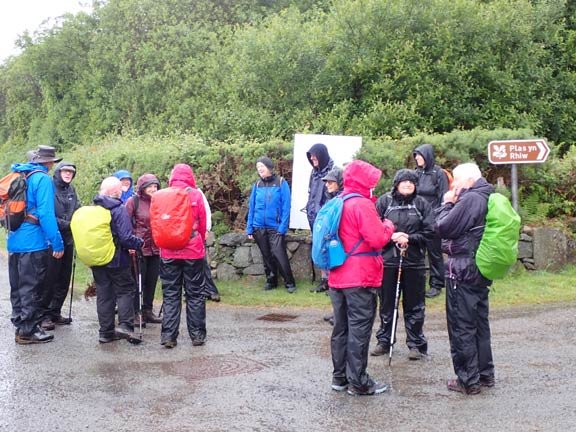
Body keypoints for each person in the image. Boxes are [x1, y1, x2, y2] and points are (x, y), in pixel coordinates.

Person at [328, 160, 394, 396]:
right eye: (372, 182)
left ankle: (340, 378)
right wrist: (388, 224)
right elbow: (377, 238)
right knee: (360, 329)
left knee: (341, 328)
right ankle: (359, 382)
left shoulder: (338, 201)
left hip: (337, 274)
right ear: (365, 183)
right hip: (359, 276)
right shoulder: (362, 204)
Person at [435, 162, 495, 395]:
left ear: (469, 180)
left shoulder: (471, 199)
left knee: (462, 326)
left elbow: (443, 227)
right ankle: (484, 374)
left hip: (463, 270)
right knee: (480, 323)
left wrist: (446, 204)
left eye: (456, 181)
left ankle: (468, 380)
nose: (454, 185)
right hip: (478, 268)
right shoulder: (487, 195)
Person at [371, 169, 434, 360]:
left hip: (414, 261)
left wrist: (410, 238)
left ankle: (416, 344)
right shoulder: (385, 202)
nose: (408, 185)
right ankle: (384, 340)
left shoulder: (422, 204)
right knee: (387, 303)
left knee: (415, 305)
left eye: (411, 182)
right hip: (389, 260)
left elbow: (431, 231)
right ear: (397, 184)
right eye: (404, 182)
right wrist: (392, 237)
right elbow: (374, 228)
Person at [8, 145, 64, 344]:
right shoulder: (42, 179)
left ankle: (20, 325)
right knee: (32, 287)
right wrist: (57, 243)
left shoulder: (19, 174)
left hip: (14, 240)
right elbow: (47, 215)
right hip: (33, 242)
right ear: (48, 163)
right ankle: (28, 330)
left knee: (17, 286)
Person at [159, 163, 208, 349]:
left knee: (171, 294)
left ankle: (168, 337)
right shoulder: (195, 195)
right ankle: (197, 336)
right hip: (192, 251)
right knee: (195, 293)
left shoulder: (163, 195)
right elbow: (202, 223)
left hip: (168, 251)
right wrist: (200, 241)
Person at [92, 177, 144, 344]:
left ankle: (105, 333)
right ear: (117, 191)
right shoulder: (117, 208)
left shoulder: (94, 208)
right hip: (117, 259)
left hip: (98, 259)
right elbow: (126, 238)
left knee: (104, 295)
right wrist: (139, 243)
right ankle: (125, 327)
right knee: (125, 290)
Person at [246, 156, 296, 293]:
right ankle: (271, 280)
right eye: (258, 167)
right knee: (266, 255)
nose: (260, 169)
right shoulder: (257, 185)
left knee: (279, 254)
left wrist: (283, 226)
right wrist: (250, 227)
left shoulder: (281, 182)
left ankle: (289, 282)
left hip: (276, 226)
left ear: (269, 167)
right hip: (259, 226)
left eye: (262, 166)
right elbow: (252, 207)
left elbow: (286, 206)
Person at [40, 161, 81, 328]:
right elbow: (47, 215)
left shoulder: (72, 190)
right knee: (50, 278)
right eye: (65, 171)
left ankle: (55, 312)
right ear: (58, 172)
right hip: (52, 239)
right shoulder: (49, 188)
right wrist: (68, 224)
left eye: (71, 172)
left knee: (64, 279)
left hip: (69, 239)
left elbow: (78, 210)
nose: (68, 174)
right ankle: (43, 314)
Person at [125, 174, 163, 326]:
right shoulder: (132, 202)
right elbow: (125, 224)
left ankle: (148, 310)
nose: (153, 189)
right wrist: (130, 245)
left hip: (156, 247)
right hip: (139, 248)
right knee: (137, 282)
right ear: (142, 188)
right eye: (150, 187)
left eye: (155, 186)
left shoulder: (159, 202)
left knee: (151, 281)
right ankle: (136, 312)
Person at [413, 144, 449, 298]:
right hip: (417, 219)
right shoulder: (416, 173)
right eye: (415, 155)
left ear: (427, 156)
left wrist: (438, 218)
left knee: (435, 254)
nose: (417, 158)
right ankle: (418, 284)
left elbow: (444, 197)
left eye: (419, 155)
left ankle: (436, 284)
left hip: (433, 219)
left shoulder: (439, 173)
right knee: (417, 254)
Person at [306, 143, 334, 293]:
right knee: (319, 248)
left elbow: (334, 195)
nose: (312, 158)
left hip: (325, 217)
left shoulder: (332, 171)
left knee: (329, 248)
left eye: (314, 155)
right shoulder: (313, 172)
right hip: (313, 216)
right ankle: (324, 280)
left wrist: (326, 214)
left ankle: (333, 282)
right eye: (310, 156)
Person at [320, 166, 343, 326]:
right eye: (326, 181)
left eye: (330, 181)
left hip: (340, 246)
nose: (327, 184)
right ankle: (337, 312)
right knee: (334, 281)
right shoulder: (332, 198)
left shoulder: (341, 199)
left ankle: (340, 316)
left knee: (340, 283)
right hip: (332, 244)